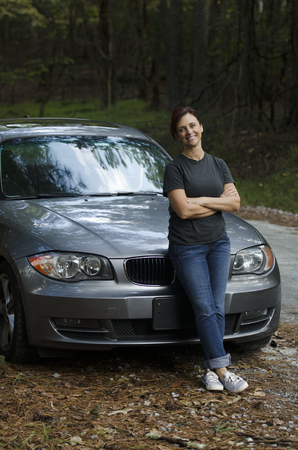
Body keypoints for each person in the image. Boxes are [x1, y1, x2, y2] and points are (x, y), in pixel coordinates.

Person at [163, 106, 248, 393]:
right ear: (177, 135)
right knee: (203, 308)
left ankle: (211, 368)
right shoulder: (174, 168)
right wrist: (215, 201)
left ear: (202, 127)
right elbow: (183, 211)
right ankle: (223, 370)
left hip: (219, 244)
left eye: (193, 125)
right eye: (183, 129)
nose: (190, 132)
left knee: (215, 307)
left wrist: (198, 200)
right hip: (188, 247)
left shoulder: (219, 164)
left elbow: (235, 205)